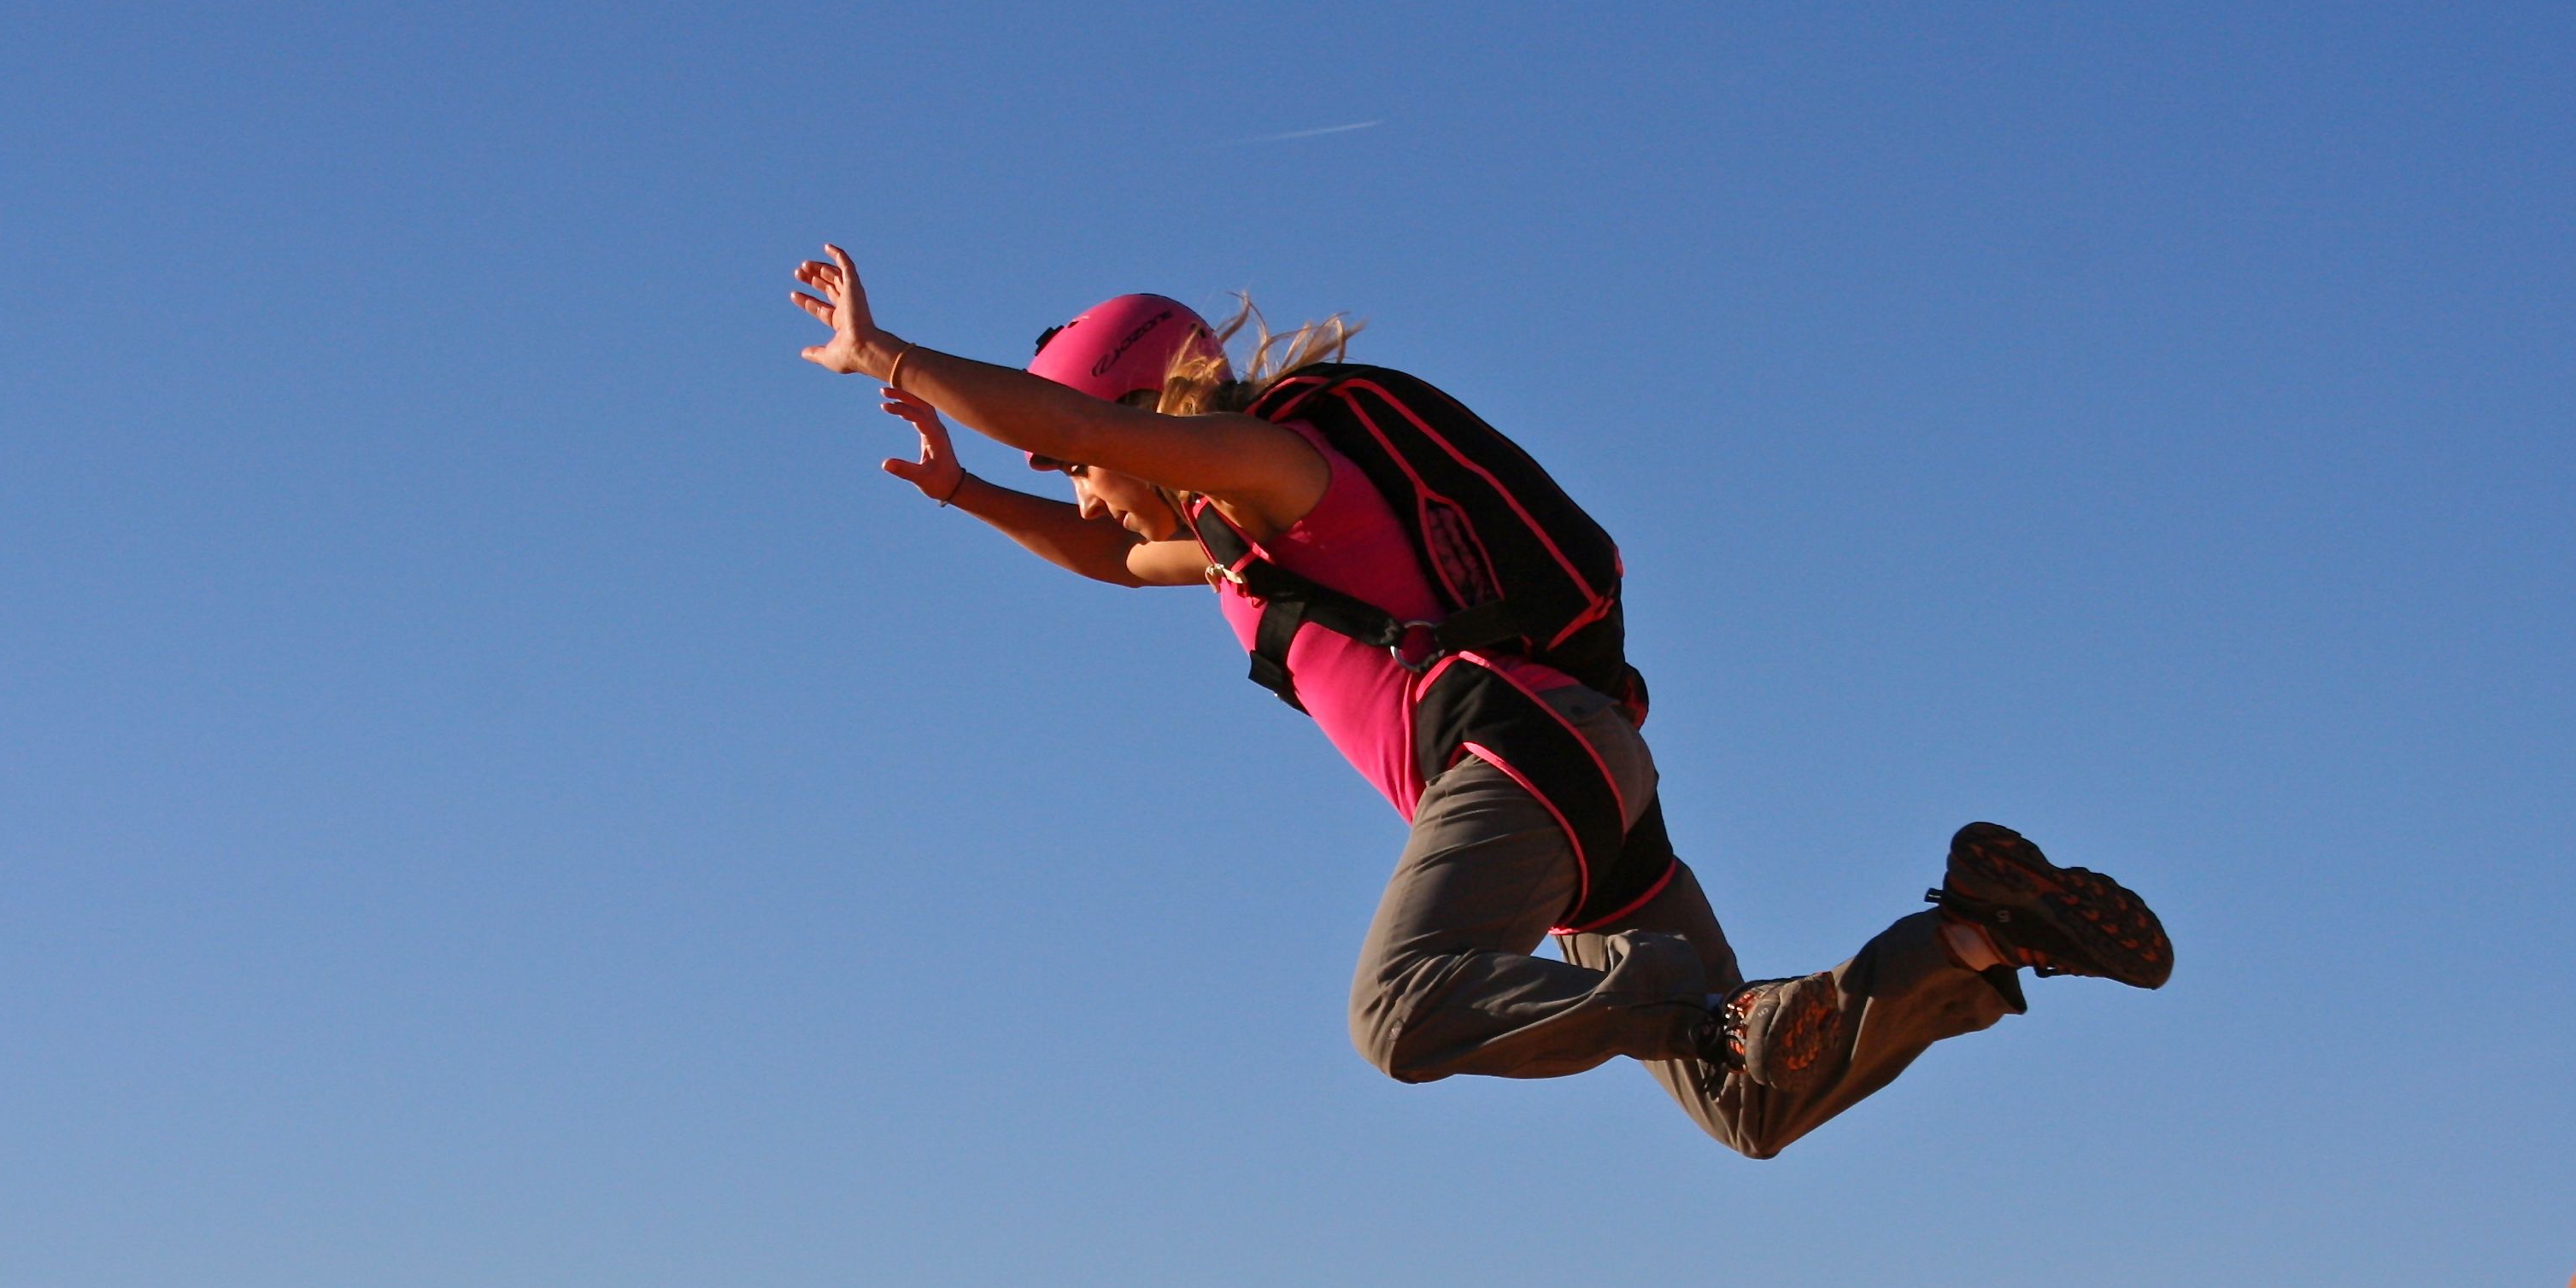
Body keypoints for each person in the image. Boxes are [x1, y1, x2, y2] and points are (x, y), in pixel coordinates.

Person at [790, 245, 2171, 1158]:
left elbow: (1092, 447)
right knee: (1747, 1102)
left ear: (1141, 408)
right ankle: (1981, 932)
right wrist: (971, 492)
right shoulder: (1231, 543)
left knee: (1397, 1013)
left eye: (1073, 447)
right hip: (1581, 785)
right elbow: (1107, 545)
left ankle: (1694, 993)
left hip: (1517, 754)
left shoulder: (1277, 462)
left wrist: (888, 354)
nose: (1078, 480)